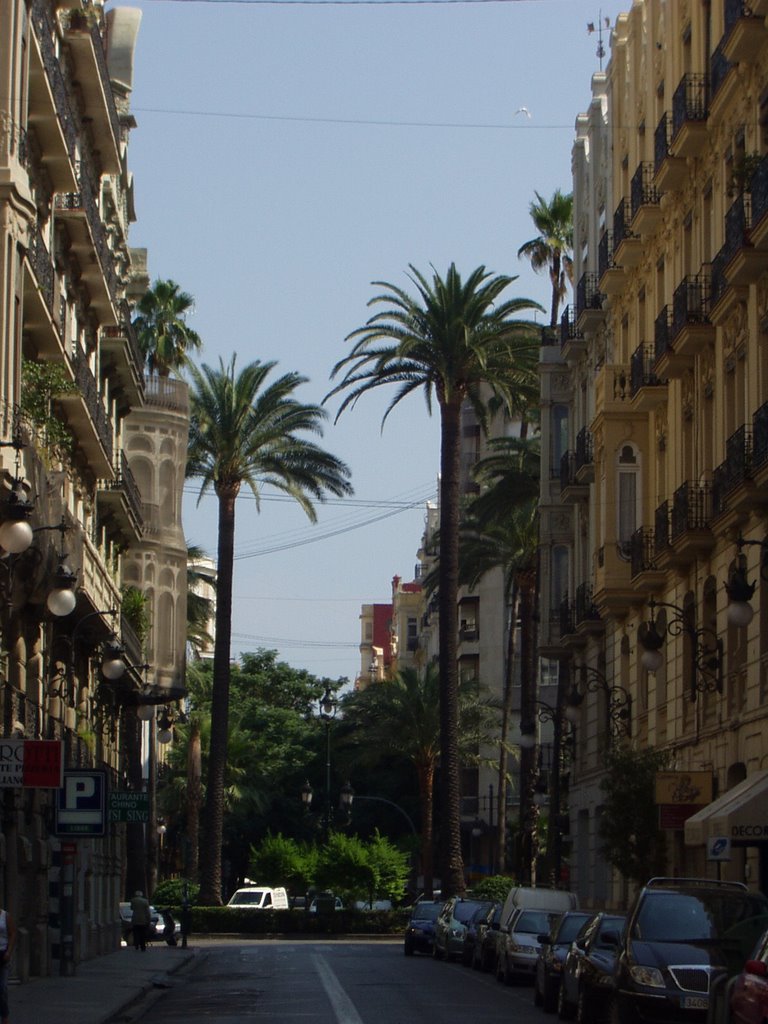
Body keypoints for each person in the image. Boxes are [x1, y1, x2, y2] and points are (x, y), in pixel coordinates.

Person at [0, 906, 17, 1024]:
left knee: (2, 988)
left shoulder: (5, 916)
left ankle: (5, 1015)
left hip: (2, 954)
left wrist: (9, 951)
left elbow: (12, 934)